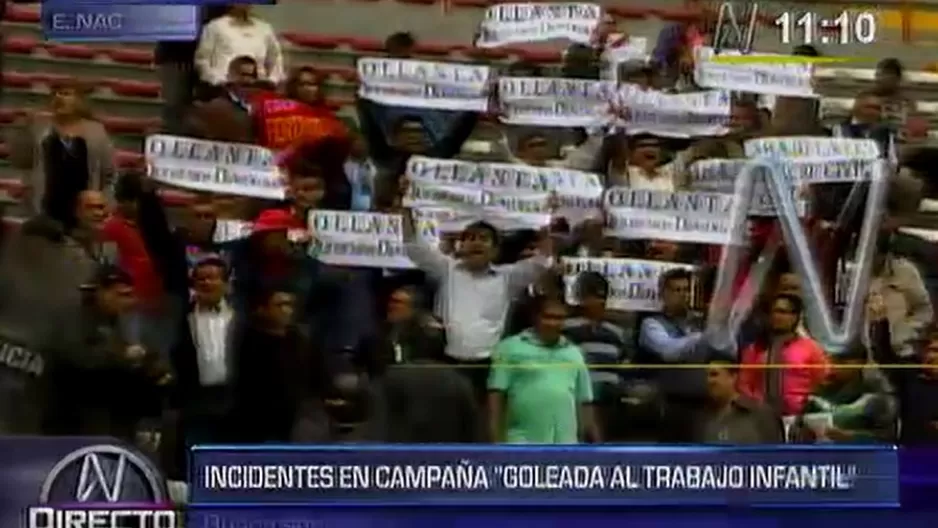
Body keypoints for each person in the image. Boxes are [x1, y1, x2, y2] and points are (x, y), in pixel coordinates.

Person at [401, 210, 551, 402]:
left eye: (484, 238)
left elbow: (543, 262)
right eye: (470, 238)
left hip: (488, 366)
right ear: (461, 245)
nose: (476, 242)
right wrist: (406, 211)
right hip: (447, 361)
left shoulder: (507, 278)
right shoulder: (447, 269)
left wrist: (544, 222)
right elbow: (415, 248)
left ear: (496, 250)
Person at [488, 296, 600, 443]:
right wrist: (495, 440)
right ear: (535, 317)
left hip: (565, 444)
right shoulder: (509, 348)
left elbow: (584, 401)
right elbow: (496, 397)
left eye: (559, 318)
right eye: (548, 317)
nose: (554, 323)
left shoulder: (574, 353)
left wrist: (593, 443)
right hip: (521, 443)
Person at [230, 283, 333, 443]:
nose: (287, 311)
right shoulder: (247, 342)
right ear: (261, 309)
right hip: (256, 427)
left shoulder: (302, 342)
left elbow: (320, 380)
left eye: (290, 305)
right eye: (280, 305)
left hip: (297, 425)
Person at [163, 257, 237, 479]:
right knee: (198, 468)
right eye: (201, 278)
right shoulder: (179, 318)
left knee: (233, 468)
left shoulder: (243, 317)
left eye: (213, 278)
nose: (206, 283)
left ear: (226, 283)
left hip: (234, 402)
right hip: (196, 403)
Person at [6, 79, 115, 225]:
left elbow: (109, 173)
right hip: (45, 208)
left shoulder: (96, 131)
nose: (59, 98)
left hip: (84, 211)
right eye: (56, 94)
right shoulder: (39, 128)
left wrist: (105, 203)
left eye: (66, 94)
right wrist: (23, 130)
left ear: (80, 101)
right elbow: (20, 161)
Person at [737, 293, 829, 418]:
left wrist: (805, 405)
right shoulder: (755, 349)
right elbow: (744, 384)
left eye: (783, 312)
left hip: (799, 418)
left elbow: (822, 382)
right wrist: (756, 405)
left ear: (795, 316)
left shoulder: (811, 348)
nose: (777, 316)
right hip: (760, 416)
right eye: (774, 312)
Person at [797, 342, 895, 443]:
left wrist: (852, 438)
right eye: (825, 360)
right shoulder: (810, 397)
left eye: (840, 361)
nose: (831, 367)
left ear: (861, 362)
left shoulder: (876, 399)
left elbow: (888, 439)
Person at [356, 285, 446, 378]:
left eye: (397, 302)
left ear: (412, 308)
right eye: (390, 301)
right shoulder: (373, 338)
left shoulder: (425, 337)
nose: (391, 306)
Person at [691, 361, 784, 444]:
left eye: (714, 374)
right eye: (707, 376)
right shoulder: (701, 417)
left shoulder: (760, 413)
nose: (709, 381)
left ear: (733, 377)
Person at [194, 4, 284, 87]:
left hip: (258, 87)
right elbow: (202, 61)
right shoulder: (215, 27)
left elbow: (275, 60)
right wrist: (217, 81)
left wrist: (271, 81)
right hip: (224, 87)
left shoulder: (265, 28)